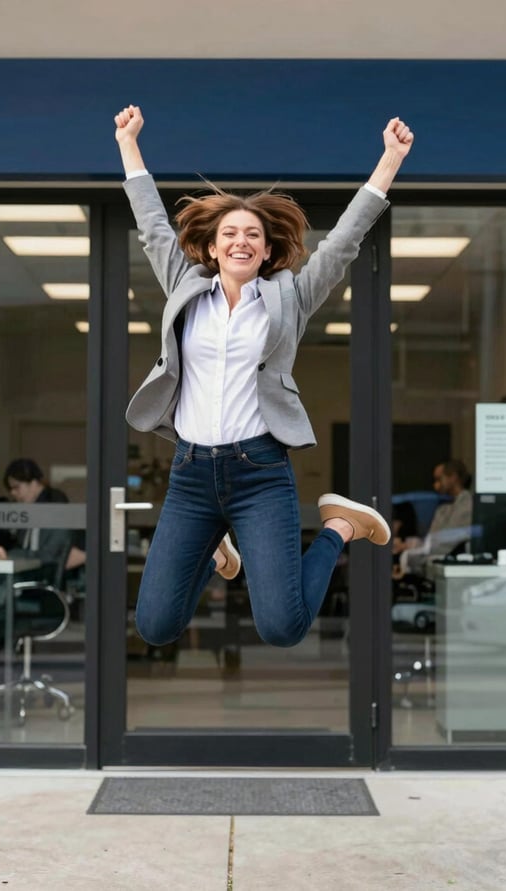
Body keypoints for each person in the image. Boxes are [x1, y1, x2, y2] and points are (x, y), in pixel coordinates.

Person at [114, 103, 413, 648]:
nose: (240, 241)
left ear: (267, 249)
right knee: (155, 627)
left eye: (252, 234)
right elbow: (153, 226)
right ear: (211, 247)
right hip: (190, 473)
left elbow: (343, 242)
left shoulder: (289, 298)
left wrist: (389, 161)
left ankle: (340, 526)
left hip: (260, 473)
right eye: (229, 233)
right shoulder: (185, 288)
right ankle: (217, 552)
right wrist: (128, 145)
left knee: (282, 627)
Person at [0, 458, 72, 586]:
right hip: (33, 572)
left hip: (42, 576)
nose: (13, 493)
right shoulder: (30, 509)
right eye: (10, 489)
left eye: (17, 487)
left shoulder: (54, 504)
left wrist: (10, 556)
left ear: (34, 483)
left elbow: (49, 554)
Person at [395, 459, 473, 576]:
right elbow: (433, 539)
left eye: (439, 479)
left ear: (453, 477)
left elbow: (447, 540)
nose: (436, 485)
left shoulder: (466, 503)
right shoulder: (445, 508)